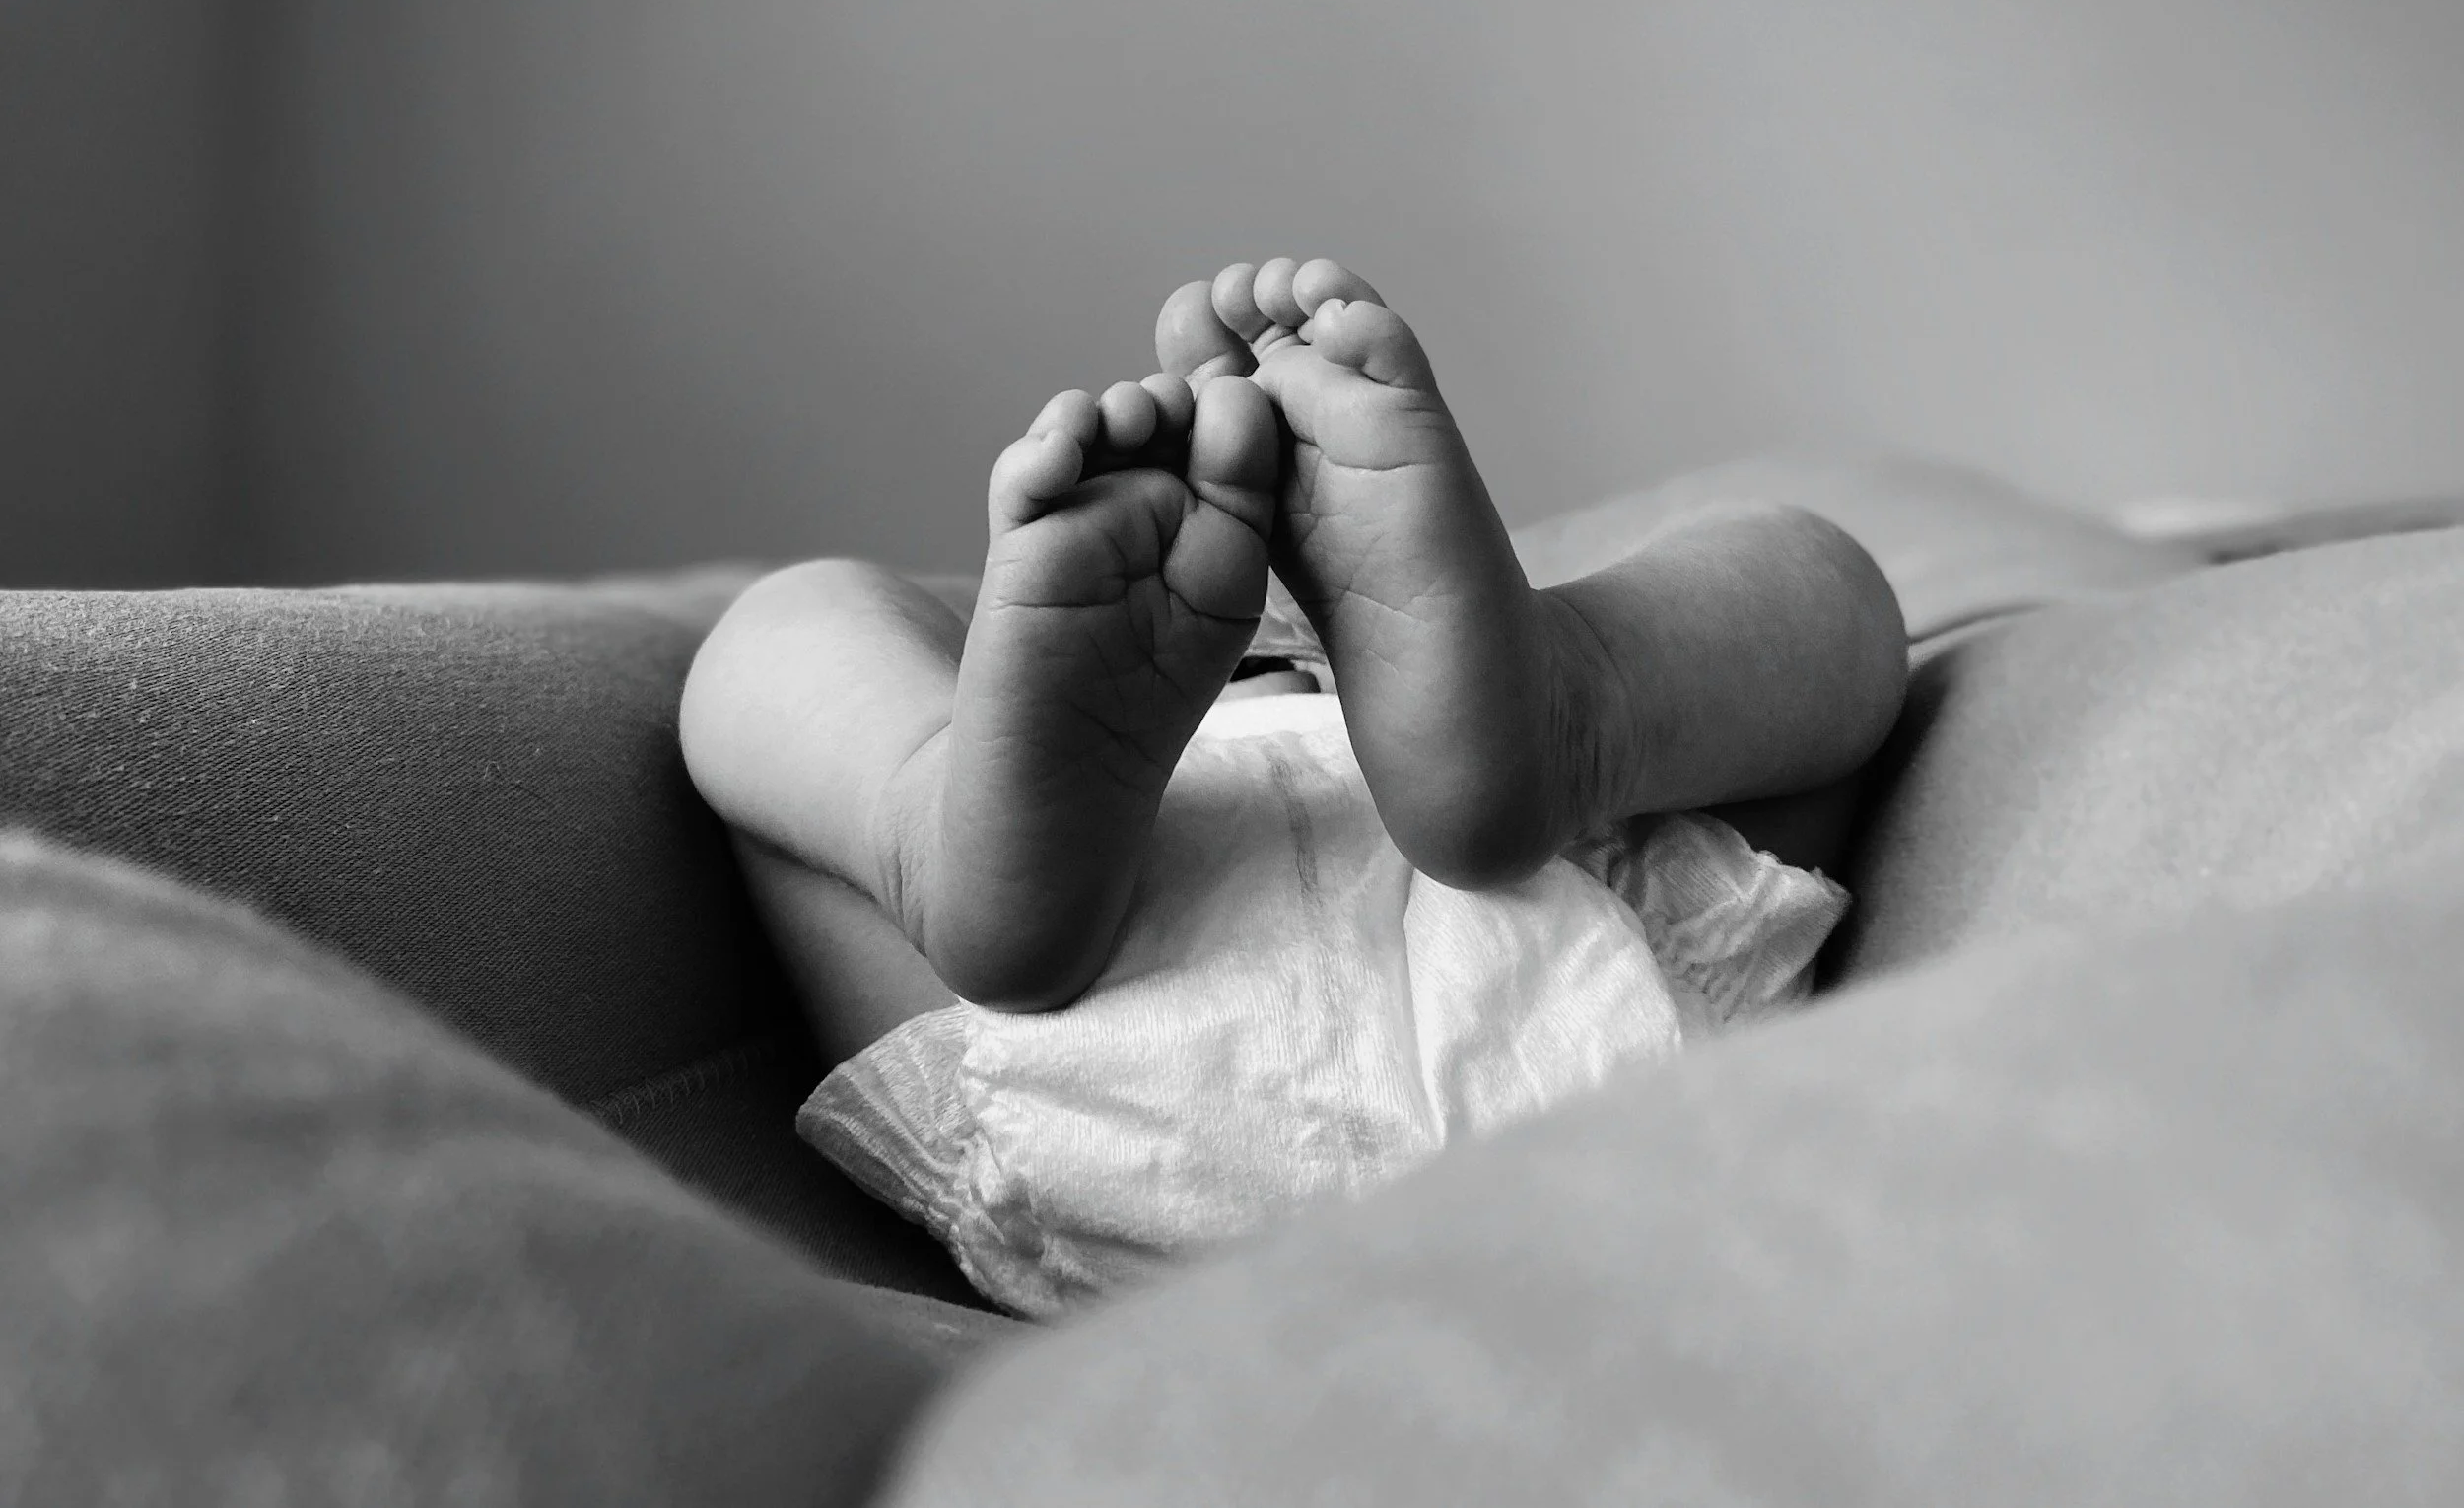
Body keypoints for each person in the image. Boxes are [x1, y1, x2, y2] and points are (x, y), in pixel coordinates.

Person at [680, 257, 1909, 1314]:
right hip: (1593, 986)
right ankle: (1582, 695)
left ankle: (926, 821)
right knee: (1815, 581)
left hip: (1096, 1092)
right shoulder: (1456, 725)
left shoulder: (1062, 743)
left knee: (786, 633)